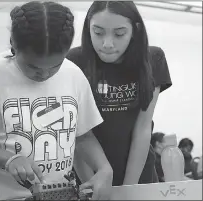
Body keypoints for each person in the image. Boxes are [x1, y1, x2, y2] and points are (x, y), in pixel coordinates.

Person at [0, 1, 113, 200]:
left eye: (55, 65)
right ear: (13, 43)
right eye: (33, 67)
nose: (45, 75)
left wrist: (104, 168)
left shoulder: (73, 73)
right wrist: (8, 159)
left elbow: (82, 135)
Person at [67, 1, 172, 186]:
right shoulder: (73, 61)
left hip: (139, 173)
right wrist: (92, 185)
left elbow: (143, 128)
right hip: (87, 175)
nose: (107, 44)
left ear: (135, 30)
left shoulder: (153, 59)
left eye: (119, 33)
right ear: (88, 28)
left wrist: (128, 188)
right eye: (98, 33)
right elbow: (76, 134)